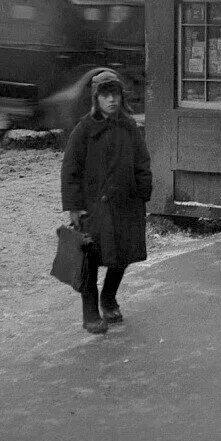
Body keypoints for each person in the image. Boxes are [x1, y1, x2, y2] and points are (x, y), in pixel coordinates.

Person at [61, 70, 152, 334]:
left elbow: (142, 161)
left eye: (115, 94)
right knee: (88, 259)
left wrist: (143, 192)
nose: (111, 100)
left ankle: (109, 297)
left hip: (125, 204)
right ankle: (90, 311)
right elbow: (70, 170)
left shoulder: (129, 126)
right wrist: (74, 206)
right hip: (93, 208)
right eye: (105, 95)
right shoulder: (84, 130)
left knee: (122, 254)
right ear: (95, 98)